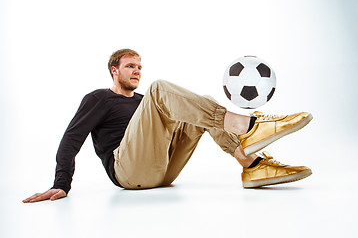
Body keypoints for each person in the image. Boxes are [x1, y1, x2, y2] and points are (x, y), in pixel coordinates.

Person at [23, 49, 313, 203]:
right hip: (127, 172)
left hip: (163, 171)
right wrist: (61, 183)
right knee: (159, 88)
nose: (137, 71)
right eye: (130, 66)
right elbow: (72, 138)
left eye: (139, 67)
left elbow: (176, 120)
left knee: (203, 105)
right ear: (114, 70)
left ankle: (251, 164)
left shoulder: (143, 102)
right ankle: (248, 125)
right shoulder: (99, 98)